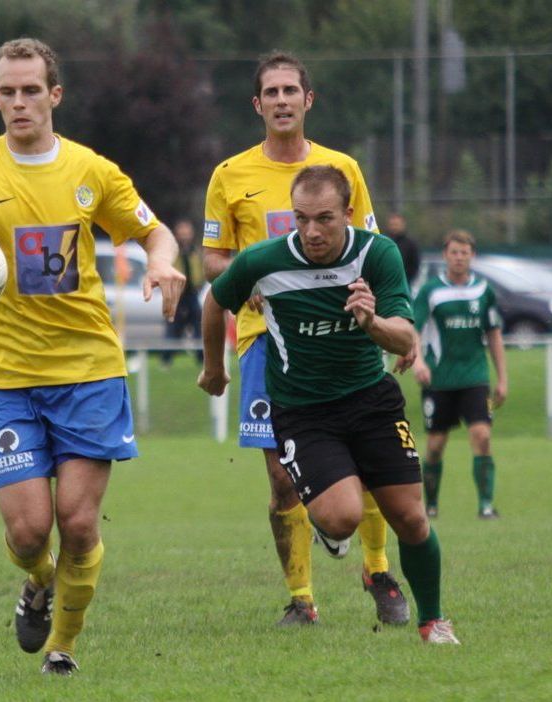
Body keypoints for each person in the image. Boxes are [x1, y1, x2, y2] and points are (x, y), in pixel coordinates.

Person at [0, 37, 184, 676]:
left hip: (89, 372)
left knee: (77, 524)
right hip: (5, 377)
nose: (19, 102)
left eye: (31, 90)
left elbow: (153, 229)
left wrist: (162, 261)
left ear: (55, 95)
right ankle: (38, 580)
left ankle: (62, 649)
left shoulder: (90, 171)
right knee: (29, 534)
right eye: (8, 92)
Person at [199, 165, 459, 644]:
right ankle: (328, 516)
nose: (312, 231)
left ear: (349, 213)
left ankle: (434, 622)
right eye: (301, 219)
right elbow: (214, 301)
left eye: (324, 218)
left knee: (411, 517)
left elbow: (405, 337)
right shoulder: (264, 260)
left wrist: (371, 322)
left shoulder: (377, 254)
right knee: (341, 517)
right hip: (303, 411)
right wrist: (214, 368)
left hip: (371, 401)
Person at [202, 50, 408, 626]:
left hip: (342, 334)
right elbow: (213, 260)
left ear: (308, 100)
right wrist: (248, 279)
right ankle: (302, 599)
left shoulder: (341, 169)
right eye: (271, 92)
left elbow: (373, 252)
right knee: (280, 478)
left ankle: (377, 570)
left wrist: (389, 327)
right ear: (257, 104)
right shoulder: (229, 175)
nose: (282, 100)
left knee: (368, 461)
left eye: (290, 90)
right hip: (265, 339)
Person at [410, 230, 508, 519]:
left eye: (464, 253)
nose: (459, 258)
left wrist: (502, 379)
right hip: (439, 378)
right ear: (445, 255)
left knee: (482, 436)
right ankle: (430, 506)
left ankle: (486, 506)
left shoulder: (484, 291)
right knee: (435, 446)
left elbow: (494, 335)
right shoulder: (430, 291)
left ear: (472, 256)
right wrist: (418, 362)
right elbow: (414, 330)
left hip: (475, 377)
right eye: (454, 252)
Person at [160, 218, 204, 366]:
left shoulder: (195, 252)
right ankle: (166, 359)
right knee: (173, 327)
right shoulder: (173, 252)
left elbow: (200, 271)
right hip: (177, 296)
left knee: (198, 326)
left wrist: (199, 283)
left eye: (187, 233)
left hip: (192, 294)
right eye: (182, 233)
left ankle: (201, 358)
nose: (185, 236)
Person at [385, 213, 422, 287]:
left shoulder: (410, 244)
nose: (394, 227)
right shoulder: (384, 242)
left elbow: (415, 265)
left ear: (403, 225)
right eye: (392, 225)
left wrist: (406, 280)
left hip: (404, 284)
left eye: (396, 224)